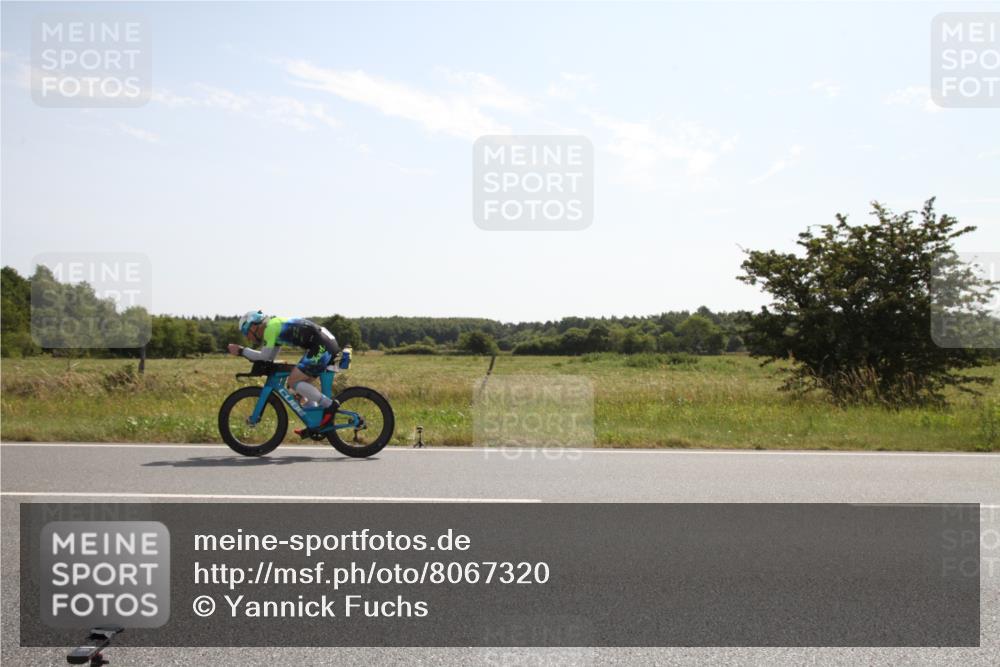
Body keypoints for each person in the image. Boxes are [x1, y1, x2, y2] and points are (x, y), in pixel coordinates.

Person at [227, 310, 341, 430]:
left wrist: (241, 351)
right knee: (300, 386)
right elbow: (269, 357)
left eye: (246, 333)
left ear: (254, 326)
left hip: (321, 345)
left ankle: (329, 405)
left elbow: (264, 356)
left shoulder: (270, 329)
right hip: (323, 342)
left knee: (293, 381)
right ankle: (315, 423)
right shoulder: (273, 326)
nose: (247, 338)